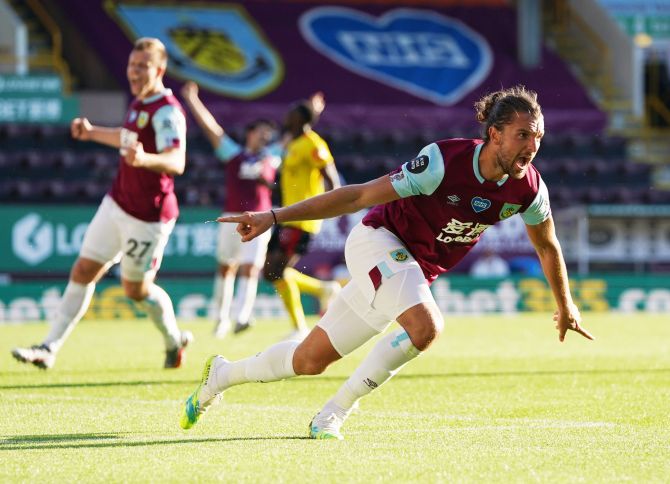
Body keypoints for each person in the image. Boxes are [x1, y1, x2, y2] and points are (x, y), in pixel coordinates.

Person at [179, 85, 594, 440]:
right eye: (522, 135)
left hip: (408, 271)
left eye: (537, 136)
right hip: (378, 243)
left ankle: (221, 376)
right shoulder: (442, 162)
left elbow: (547, 245)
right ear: (494, 134)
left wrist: (566, 304)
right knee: (425, 326)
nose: (532, 145)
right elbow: (358, 196)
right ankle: (333, 413)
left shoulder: (530, 189)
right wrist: (273, 216)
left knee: (309, 361)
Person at [11, 37, 192, 369]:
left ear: (160, 69)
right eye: (131, 65)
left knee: (136, 291)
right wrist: (92, 132)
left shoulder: (167, 111)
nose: (134, 72)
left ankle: (173, 340)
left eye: (143, 67)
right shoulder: (139, 102)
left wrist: (146, 159)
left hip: (148, 217)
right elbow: (128, 137)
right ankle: (49, 347)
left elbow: (176, 161)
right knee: (83, 270)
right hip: (117, 203)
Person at [180, 81, 281, 338]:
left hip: (260, 219)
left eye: (269, 133)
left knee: (251, 268)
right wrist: (192, 100)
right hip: (231, 219)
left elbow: (295, 134)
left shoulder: (272, 156)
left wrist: (311, 114)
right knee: (227, 267)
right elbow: (210, 128)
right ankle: (221, 319)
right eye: (261, 131)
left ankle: (242, 317)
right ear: (249, 133)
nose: (265, 136)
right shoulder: (233, 154)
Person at [264, 92, 342, 339]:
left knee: (276, 271)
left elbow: (331, 179)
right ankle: (323, 289)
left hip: (303, 218)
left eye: (292, 114)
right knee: (271, 272)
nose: (286, 117)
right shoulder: (291, 144)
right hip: (285, 216)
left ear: (301, 119)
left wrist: (330, 206)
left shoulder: (313, 144)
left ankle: (299, 327)